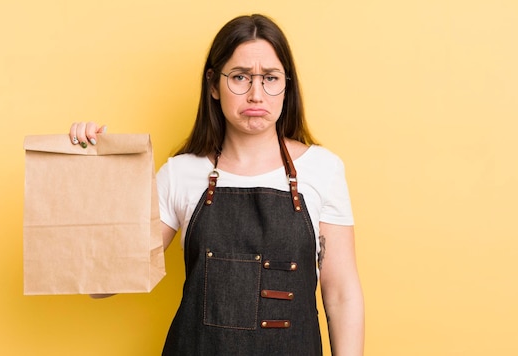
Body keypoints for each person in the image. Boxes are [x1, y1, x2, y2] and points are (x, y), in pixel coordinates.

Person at [70, 14, 364, 356]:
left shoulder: (322, 169)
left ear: (287, 85)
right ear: (213, 84)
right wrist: (89, 171)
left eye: (270, 78)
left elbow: (342, 293)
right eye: (240, 77)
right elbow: (101, 285)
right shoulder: (180, 173)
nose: (256, 94)